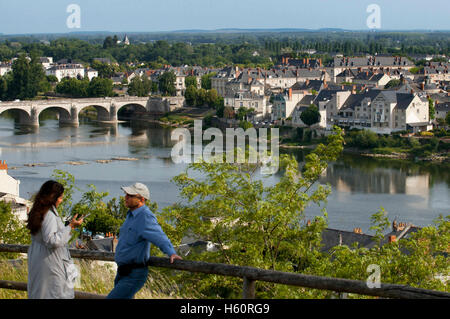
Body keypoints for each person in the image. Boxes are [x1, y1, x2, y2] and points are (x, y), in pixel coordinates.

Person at [107, 182, 182, 299]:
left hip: (134, 274)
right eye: (126, 194)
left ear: (141, 199)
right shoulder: (130, 215)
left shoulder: (145, 216)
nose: (125, 197)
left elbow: (159, 236)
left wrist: (171, 252)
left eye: (130, 195)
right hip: (122, 272)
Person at [27, 180, 84, 299]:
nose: (61, 200)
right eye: (60, 197)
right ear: (53, 197)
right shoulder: (49, 215)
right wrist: (71, 227)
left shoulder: (38, 211)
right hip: (51, 263)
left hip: (41, 260)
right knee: (55, 293)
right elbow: (52, 241)